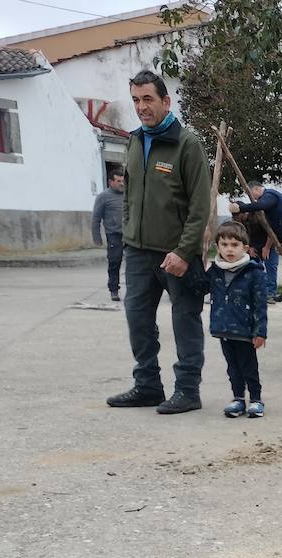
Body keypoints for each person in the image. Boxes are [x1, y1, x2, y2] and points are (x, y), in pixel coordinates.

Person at [106, 69, 212, 416]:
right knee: (137, 318)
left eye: (148, 99)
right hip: (138, 253)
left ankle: (187, 390)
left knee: (185, 321)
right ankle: (148, 385)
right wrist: (126, 235)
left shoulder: (187, 144)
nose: (141, 107)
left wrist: (184, 251)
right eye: (136, 100)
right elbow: (129, 195)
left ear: (166, 101)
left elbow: (201, 207)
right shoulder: (135, 141)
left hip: (177, 256)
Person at [206, 221, 267, 418]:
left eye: (234, 245)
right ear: (218, 246)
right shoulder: (215, 271)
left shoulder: (254, 272)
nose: (229, 250)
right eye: (224, 245)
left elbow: (260, 304)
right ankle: (238, 399)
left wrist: (260, 332)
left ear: (245, 247)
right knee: (232, 368)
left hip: (245, 330)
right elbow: (199, 288)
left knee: (249, 367)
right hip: (223, 329)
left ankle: (256, 400)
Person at [229, 182, 282, 271]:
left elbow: (262, 205)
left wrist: (241, 208)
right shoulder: (268, 210)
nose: (251, 197)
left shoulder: (270, 194)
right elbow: (274, 227)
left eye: (250, 193)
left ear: (257, 189)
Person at [91, 168, 125, 302]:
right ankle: (114, 290)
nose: (121, 184)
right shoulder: (103, 197)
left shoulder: (127, 195)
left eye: (123, 181)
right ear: (110, 182)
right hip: (114, 235)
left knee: (136, 263)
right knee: (114, 262)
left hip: (129, 235)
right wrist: (97, 237)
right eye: (118, 181)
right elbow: (96, 217)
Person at [242, 210, 279, 301]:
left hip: (269, 245)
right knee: (253, 267)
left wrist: (267, 248)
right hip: (255, 246)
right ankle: (254, 291)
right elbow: (245, 236)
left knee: (271, 267)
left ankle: (271, 293)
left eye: (239, 215)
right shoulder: (243, 222)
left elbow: (271, 234)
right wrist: (250, 247)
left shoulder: (261, 219)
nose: (238, 217)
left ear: (245, 213)